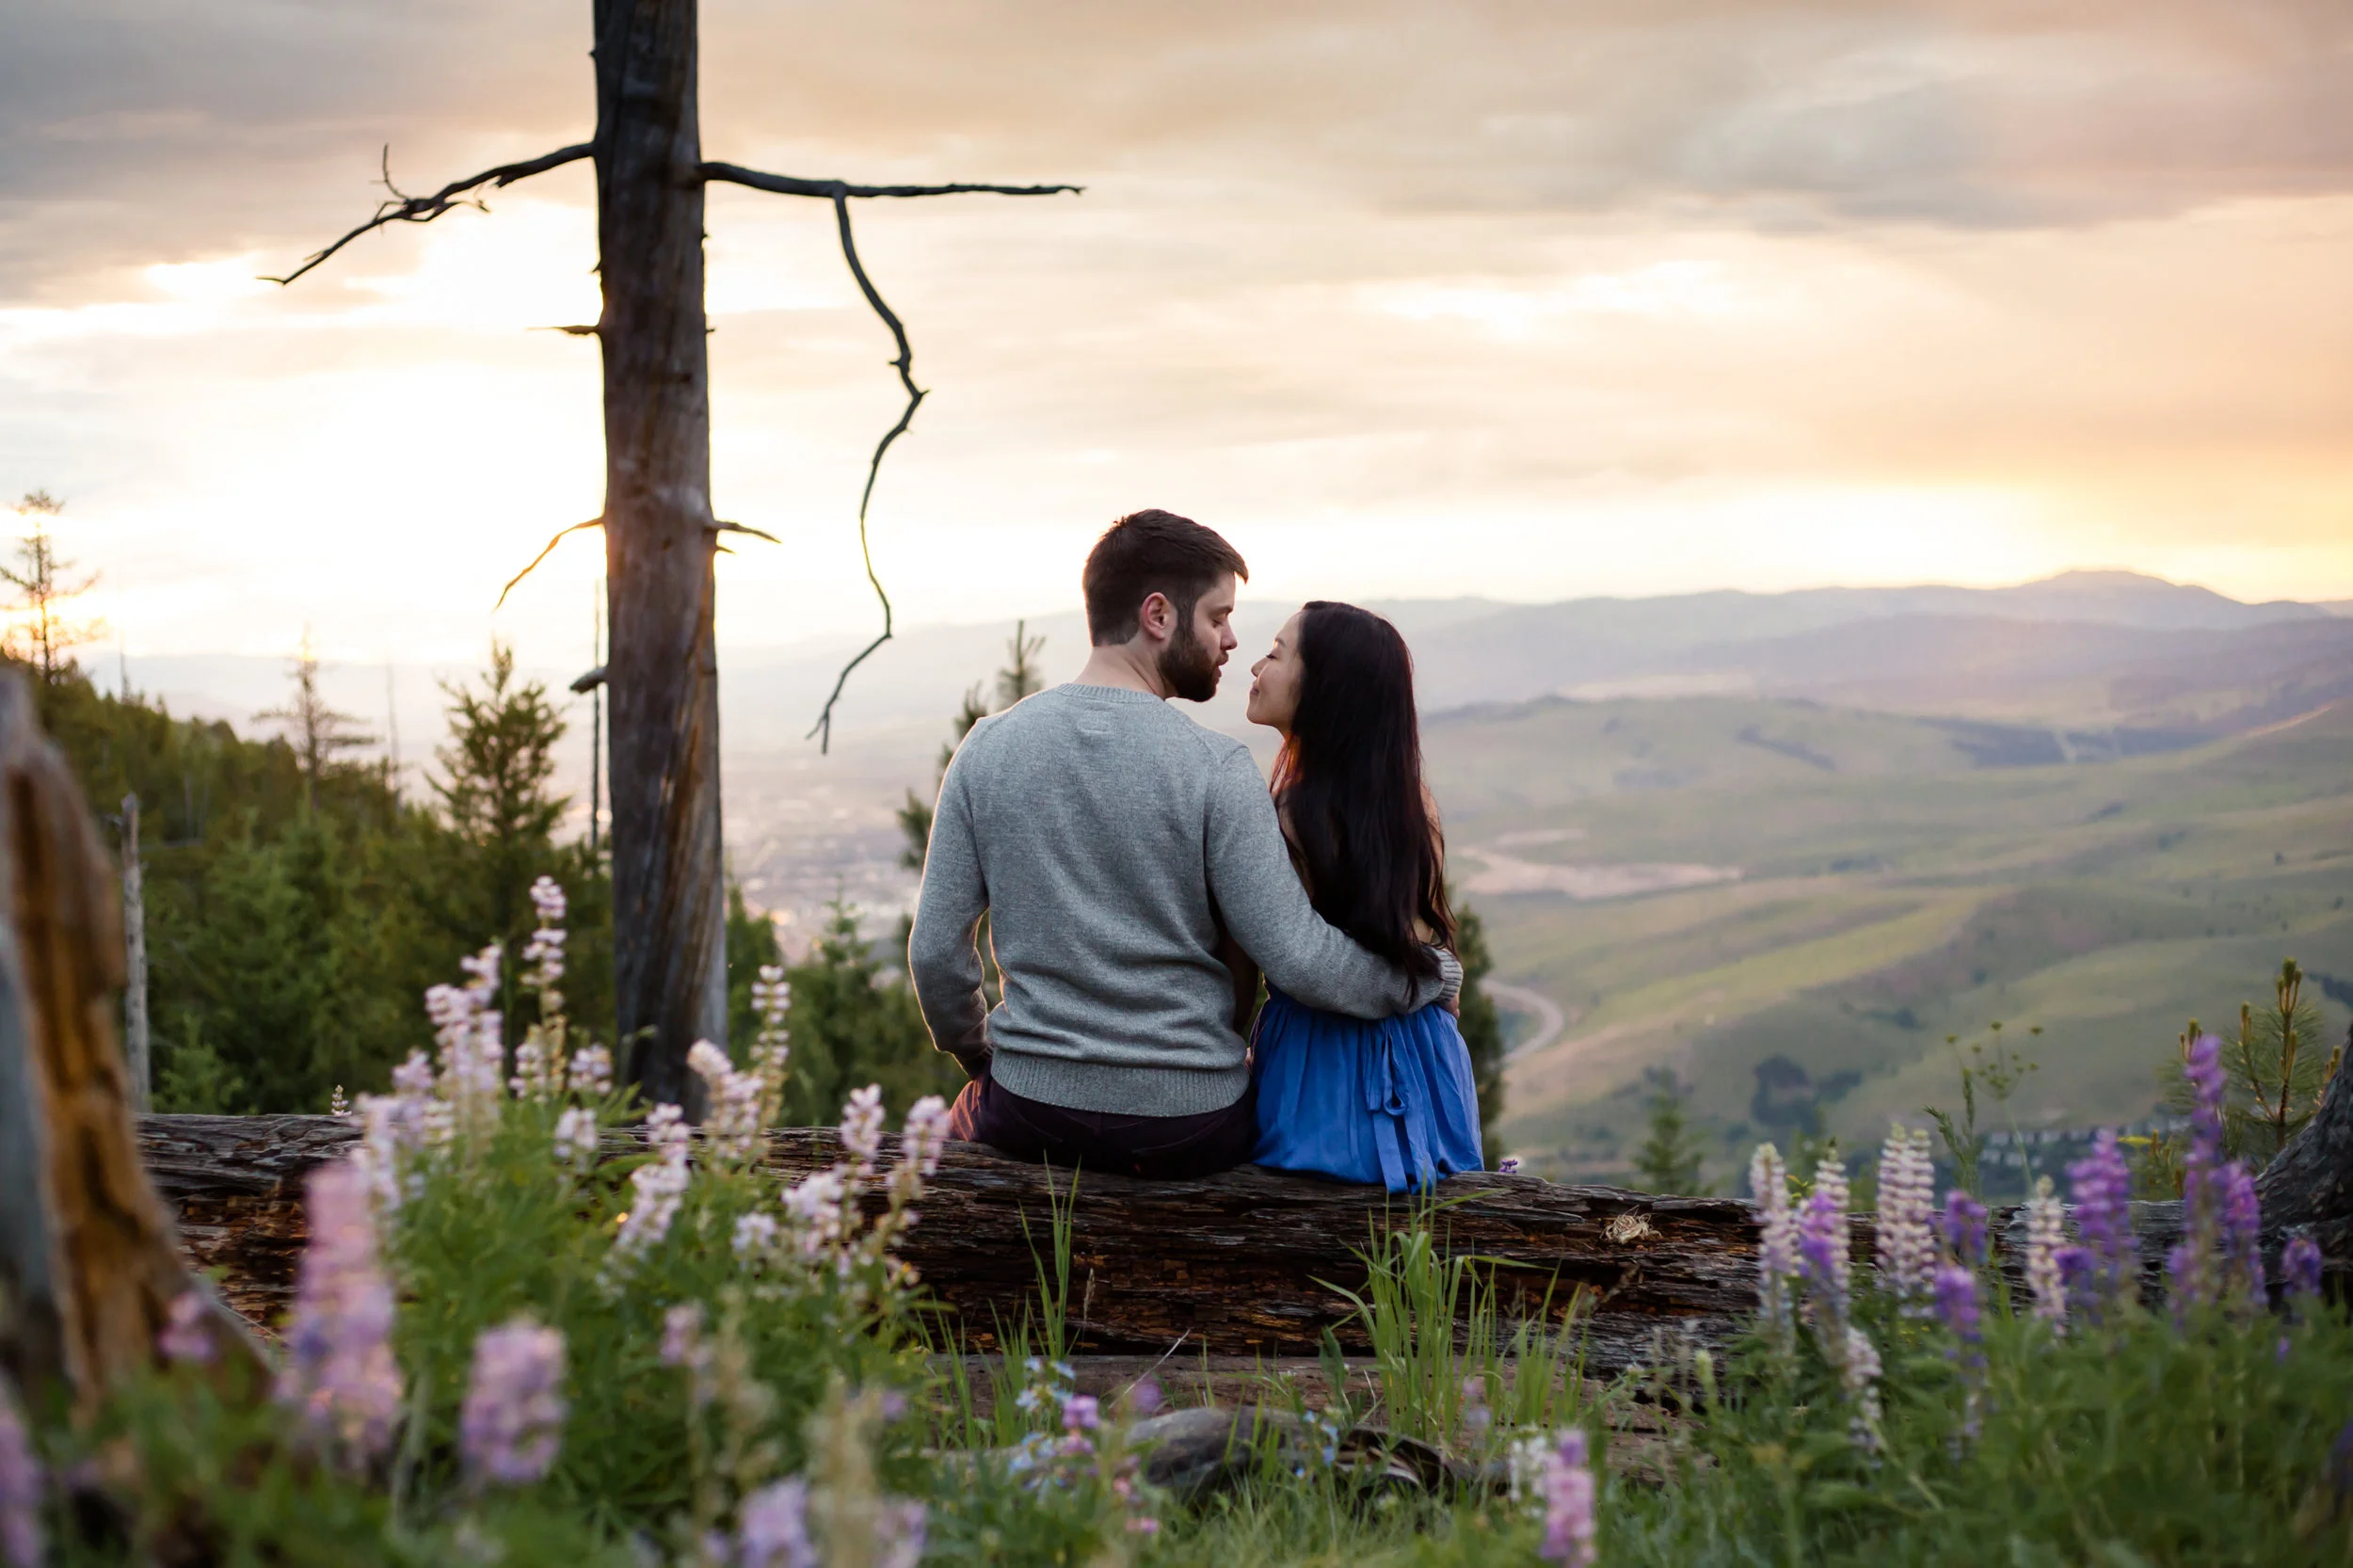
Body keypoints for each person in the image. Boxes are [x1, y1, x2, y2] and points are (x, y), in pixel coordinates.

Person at [908, 509, 1459, 1179]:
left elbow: (937, 955)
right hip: (1190, 1126)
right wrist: (1427, 975)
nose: (1231, 642)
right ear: (1158, 616)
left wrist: (984, 1057)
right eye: (1218, 617)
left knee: (955, 1128)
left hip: (1031, 1110)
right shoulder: (1217, 769)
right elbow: (1300, 961)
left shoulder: (987, 749)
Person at [1240, 600, 1484, 1192]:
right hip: (1422, 1052)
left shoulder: (1289, 811)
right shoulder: (1412, 804)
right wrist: (1439, 975)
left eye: (1274, 654)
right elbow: (1410, 939)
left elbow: (1284, 954)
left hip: (1316, 1057)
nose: (1255, 666)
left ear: (1324, 688)